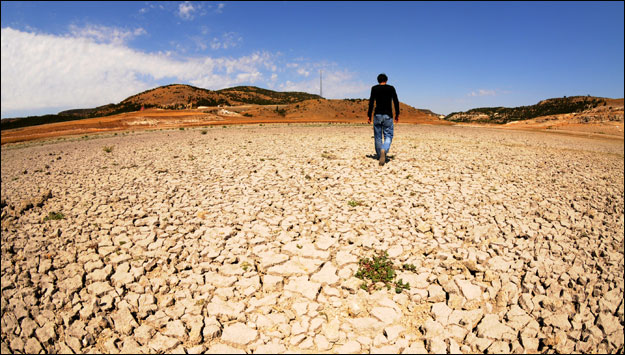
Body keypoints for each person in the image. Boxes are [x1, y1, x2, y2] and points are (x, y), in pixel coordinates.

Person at [367, 73, 399, 166]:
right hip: (388, 115)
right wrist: (397, 114)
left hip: (377, 115)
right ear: (386, 80)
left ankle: (379, 155)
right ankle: (384, 150)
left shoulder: (374, 88)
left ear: (378, 80)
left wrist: (369, 115)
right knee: (388, 135)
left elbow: (371, 102)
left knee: (377, 136)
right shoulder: (391, 88)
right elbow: (396, 101)